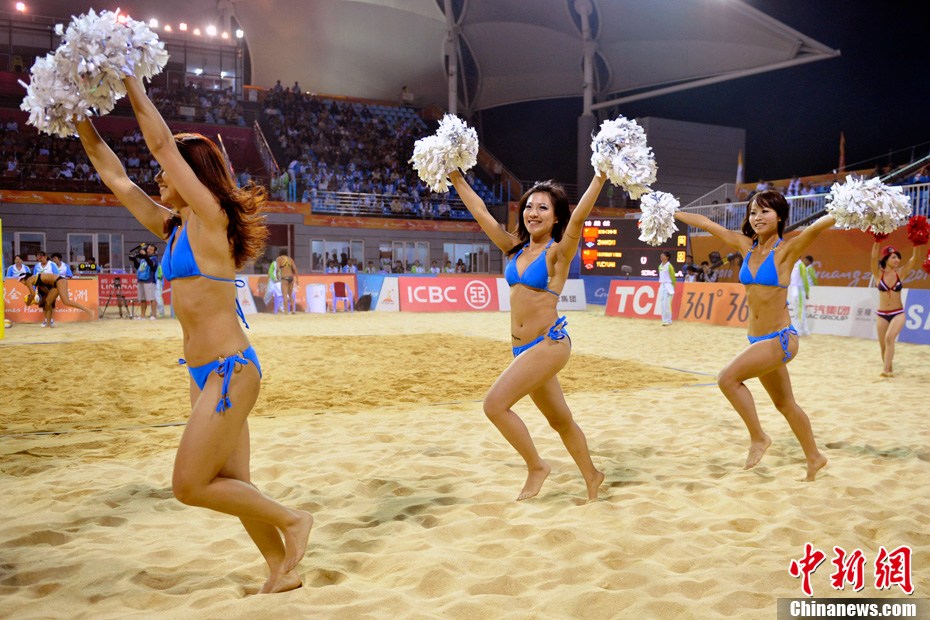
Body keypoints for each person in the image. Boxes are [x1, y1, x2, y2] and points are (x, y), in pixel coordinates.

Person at [75, 75, 311, 594]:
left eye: (168, 170)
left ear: (193, 174)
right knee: (234, 482)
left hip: (231, 370)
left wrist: (130, 77)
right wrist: (77, 119)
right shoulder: (175, 226)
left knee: (188, 484)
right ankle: (280, 569)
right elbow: (116, 178)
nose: (159, 175)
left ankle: (293, 519)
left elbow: (161, 142)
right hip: (203, 373)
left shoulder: (211, 218)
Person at [449, 169, 606, 502]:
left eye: (543, 208)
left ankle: (537, 466)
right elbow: (481, 213)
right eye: (529, 207)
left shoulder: (558, 252)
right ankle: (592, 476)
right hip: (523, 350)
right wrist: (455, 176)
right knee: (560, 421)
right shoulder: (514, 249)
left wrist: (600, 177)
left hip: (550, 343)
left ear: (556, 217)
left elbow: (579, 218)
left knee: (494, 405)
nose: (533, 213)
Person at [674, 189, 832, 481]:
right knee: (785, 404)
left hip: (780, 338)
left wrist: (850, 207)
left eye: (765, 211)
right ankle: (815, 457)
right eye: (753, 212)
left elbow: (816, 228)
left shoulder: (787, 250)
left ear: (780, 216)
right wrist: (672, 211)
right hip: (757, 340)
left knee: (727, 379)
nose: (757, 218)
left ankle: (758, 437)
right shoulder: (745, 245)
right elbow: (708, 224)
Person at [870, 242, 926, 377]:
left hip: (897, 313)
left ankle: (885, 371)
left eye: (898, 257)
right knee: (883, 346)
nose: (897, 260)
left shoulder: (900, 273)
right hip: (882, 314)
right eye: (893, 257)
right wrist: (877, 240)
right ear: (886, 259)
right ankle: (889, 370)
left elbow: (915, 258)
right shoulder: (878, 273)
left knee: (889, 338)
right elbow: (873, 257)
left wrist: (917, 242)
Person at [19, 271, 92, 326]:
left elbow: (32, 294)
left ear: (23, 279)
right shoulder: (37, 282)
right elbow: (48, 293)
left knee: (66, 301)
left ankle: (88, 310)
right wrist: (40, 301)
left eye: (20, 281)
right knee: (47, 303)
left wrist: (28, 303)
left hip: (60, 281)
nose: (21, 283)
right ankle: (48, 325)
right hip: (56, 283)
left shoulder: (29, 280)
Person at [133, 244, 159, 319]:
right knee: (142, 299)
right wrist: (134, 259)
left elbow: (152, 266)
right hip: (141, 280)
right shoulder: (143, 259)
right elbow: (138, 267)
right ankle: (142, 315)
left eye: (151, 249)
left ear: (154, 252)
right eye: (148, 249)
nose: (149, 250)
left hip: (149, 280)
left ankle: (153, 315)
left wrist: (145, 256)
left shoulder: (154, 258)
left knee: (152, 298)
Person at [788, 257, 811, 336]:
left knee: (800, 311)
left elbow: (805, 280)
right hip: (793, 289)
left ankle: (798, 330)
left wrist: (807, 291)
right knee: (797, 310)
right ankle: (805, 330)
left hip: (799, 290)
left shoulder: (801, 265)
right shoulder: (793, 265)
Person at [275, 250, 298, 314]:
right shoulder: (290, 259)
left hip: (284, 278)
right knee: (290, 295)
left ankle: (286, 311)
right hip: (291, 278)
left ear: (280, 253)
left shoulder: (279, 259)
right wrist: (297, 279)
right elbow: (295, 269)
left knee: (284, 295)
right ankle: (293, 310)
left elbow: (277, 269)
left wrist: (277, 276)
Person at [657, 251, 676, 326]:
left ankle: (668, 320)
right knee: (662, 303)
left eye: (663, 255)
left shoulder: (669, 266)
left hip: (668, 285)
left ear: (667, 257)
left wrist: (672, 287)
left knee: (667, 303)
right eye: (661, 255)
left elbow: (673, 277)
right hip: (662, 285)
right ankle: (664, 320)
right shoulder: (660, 266)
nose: (661, 256)